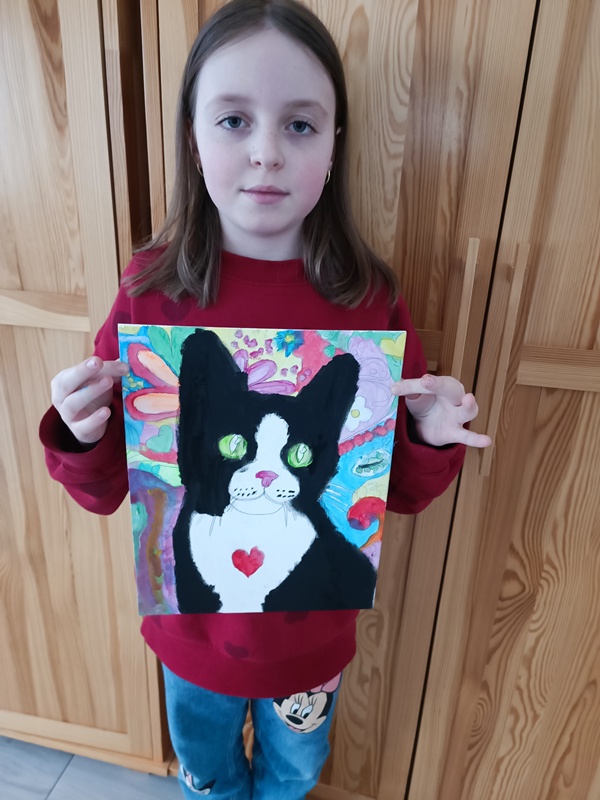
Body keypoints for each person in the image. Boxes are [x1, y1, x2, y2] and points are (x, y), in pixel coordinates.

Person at [39, 1, 491, 797]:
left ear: (335, 144)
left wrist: (428, 435)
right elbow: (109, 488)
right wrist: (79, 432)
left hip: (310, 645)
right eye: (234, 120)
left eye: (300, 125)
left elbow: (395, 493)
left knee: (293, 775)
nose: (266, 153)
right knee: (207, 775)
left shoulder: (369, 301)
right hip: (190, 638)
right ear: (193, 137)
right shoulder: (151, 293)